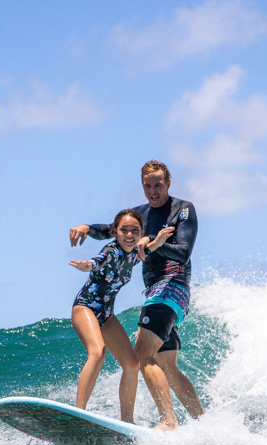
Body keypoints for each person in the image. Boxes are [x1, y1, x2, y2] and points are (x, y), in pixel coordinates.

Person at [69, 160, 204, 430]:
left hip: (171, 287)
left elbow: (184, 251)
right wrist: (86, 227)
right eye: (147, 185)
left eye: (158, 184)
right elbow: (110, 231)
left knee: (141, 356)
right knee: (166, 363)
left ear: (168, 183)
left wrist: (152, 243)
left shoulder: (183, 209)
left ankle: (168, 420)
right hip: (154, 294)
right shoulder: (139, 216)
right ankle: (204, 423)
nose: (153, 190)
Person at [69, 209, 174, 423]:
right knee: (97, 353)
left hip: (106, 314)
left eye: (134, 230)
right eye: (123, 230)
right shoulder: (111, 250)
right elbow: (97, 261)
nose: (129, 234)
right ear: (115, 232)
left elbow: (146, 251)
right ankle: (78, 413)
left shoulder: (133, 253)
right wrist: (86, 266)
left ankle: (127, 423)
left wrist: (159, 241)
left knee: (133, 364)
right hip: (86, 307)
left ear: (140, 233)